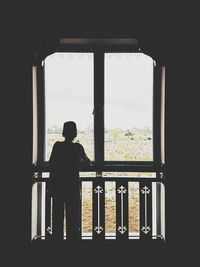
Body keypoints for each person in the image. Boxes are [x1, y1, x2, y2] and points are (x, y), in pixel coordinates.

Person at [49, 121, 90, 241]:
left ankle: (57, 242)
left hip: (58, 186)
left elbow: (51, 164)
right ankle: (72, 243)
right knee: (72, 217)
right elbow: (87, 162)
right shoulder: (77, 147)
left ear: (63, 133)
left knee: (57, 216)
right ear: (75, 133)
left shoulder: (57, 146)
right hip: (72, 186)